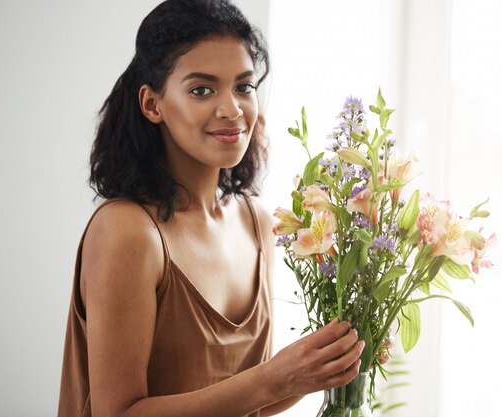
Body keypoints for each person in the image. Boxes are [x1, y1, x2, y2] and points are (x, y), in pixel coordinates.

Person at [58, 1, 365, 416]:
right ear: (152, 104)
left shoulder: (256, 223)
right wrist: (273, 378)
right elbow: (118, 413)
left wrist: (321, 366)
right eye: (202, 89)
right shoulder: (128, 231)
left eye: (244, 86)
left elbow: (248, 398)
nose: (232, 110)